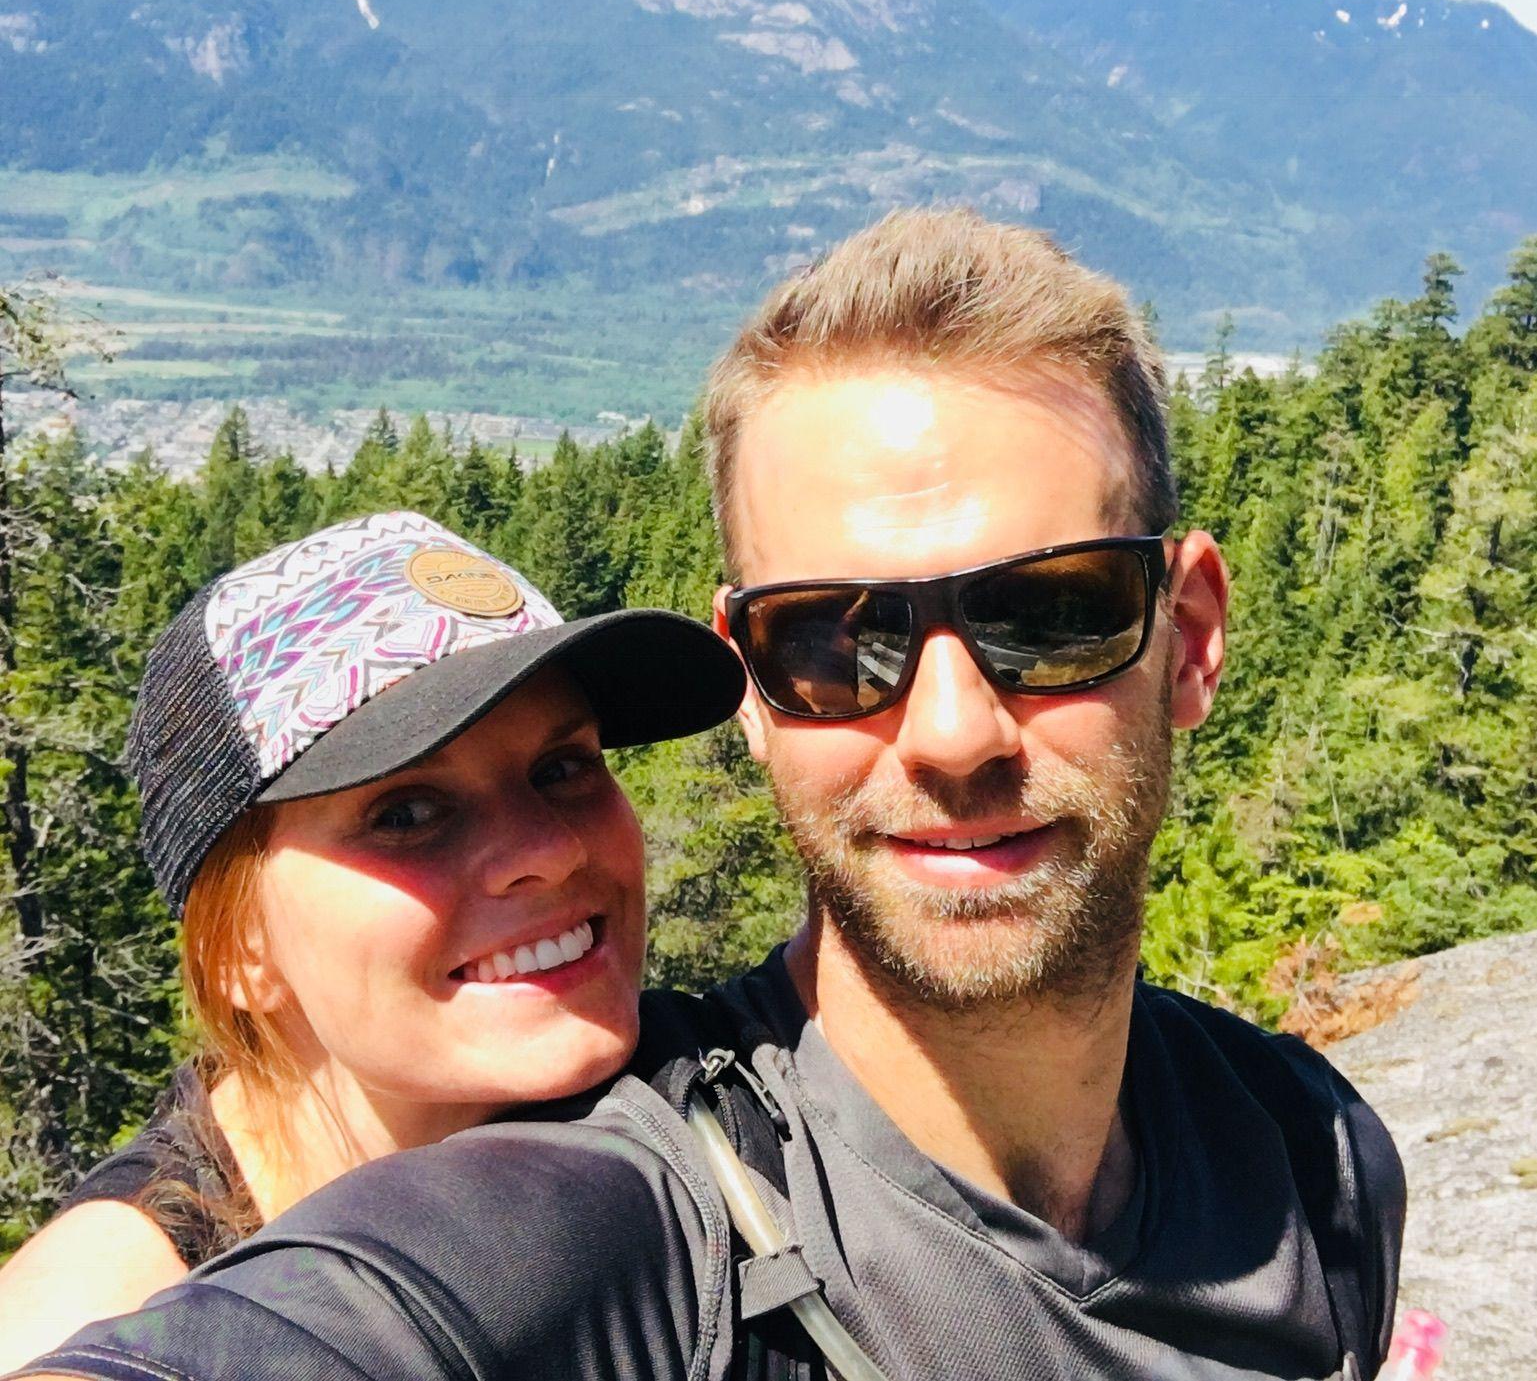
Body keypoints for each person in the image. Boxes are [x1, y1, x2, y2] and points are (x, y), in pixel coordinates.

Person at [15, 213, 1405, 1381]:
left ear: (1192, 636)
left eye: (1051, 615)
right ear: (754, 686)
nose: (951, 731)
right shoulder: (624, 1215)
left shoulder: (1310, 1155)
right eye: (836, 643)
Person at [0, 508, 743, 1373]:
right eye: (407, 813)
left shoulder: (737, 1109)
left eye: (562, 767)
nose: (547, 849)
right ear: (239, 946)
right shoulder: (98, 1322)